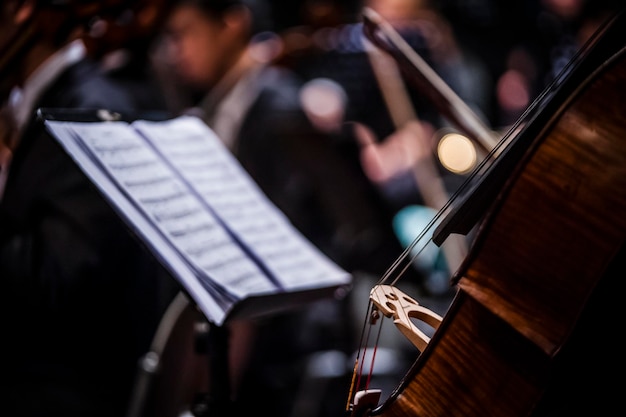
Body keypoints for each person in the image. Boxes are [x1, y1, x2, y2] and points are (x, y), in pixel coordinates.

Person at [0, 1, 179, 416]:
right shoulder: (72, 97)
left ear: (24, 9)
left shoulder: (83, 112)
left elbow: (52, 284)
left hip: (58, 390)